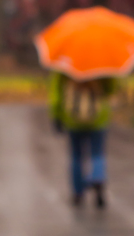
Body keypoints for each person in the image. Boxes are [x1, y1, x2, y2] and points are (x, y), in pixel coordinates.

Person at [49, 72, 117, 208]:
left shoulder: (64, 66)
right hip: (98, 118)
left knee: (76, 156)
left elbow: (56, 92)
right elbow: (111, 89)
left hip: (72, 119)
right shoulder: (102, 65)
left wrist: (56, 115)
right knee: (97, 153)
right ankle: (97, 178)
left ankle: (78, 193)